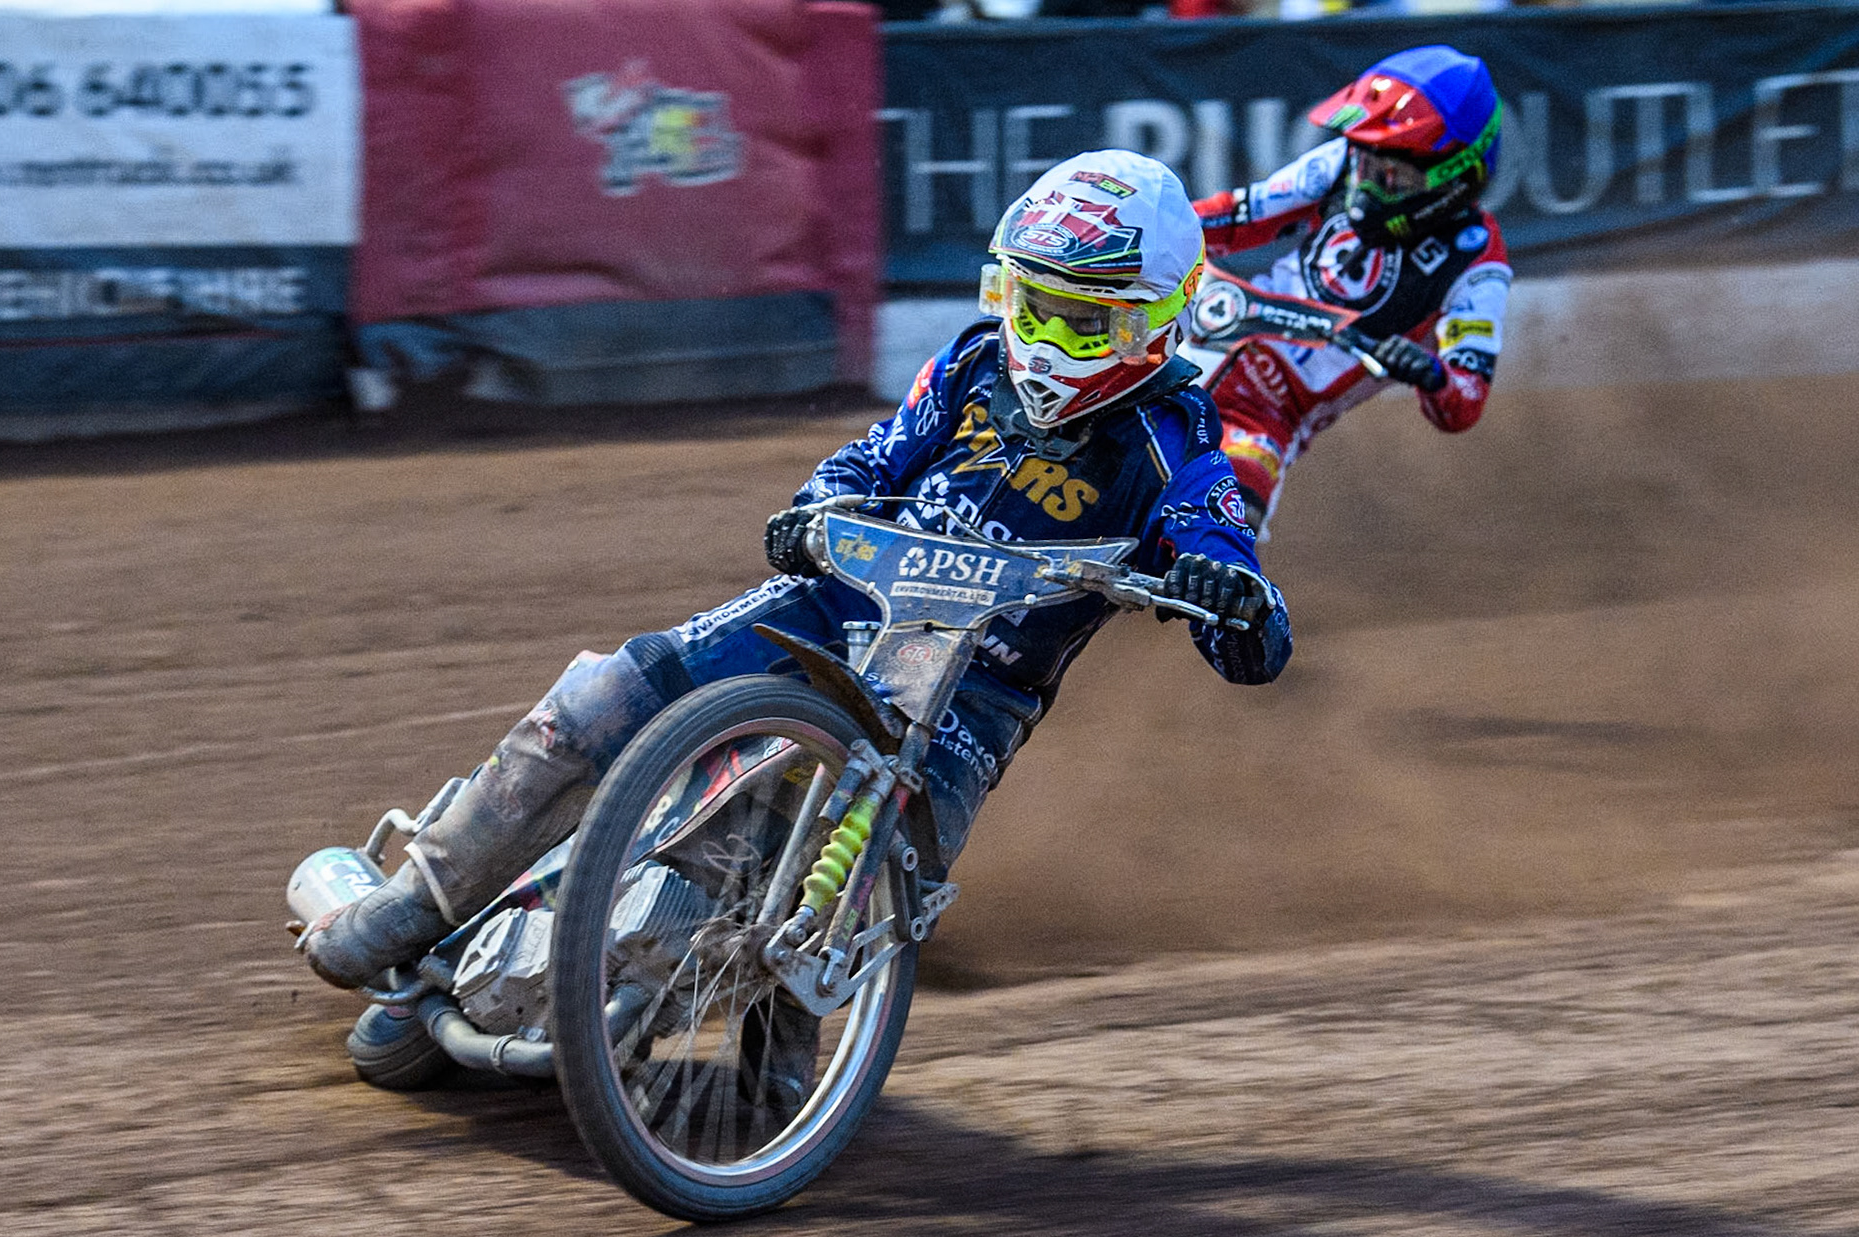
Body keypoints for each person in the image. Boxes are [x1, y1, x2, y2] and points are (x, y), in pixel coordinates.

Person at [299, 151, 1293, 1060]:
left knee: (870, 870)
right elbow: (874, 456)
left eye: (1083, 322)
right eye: (1034, 306)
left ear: (1159, 317)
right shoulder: (972, 364)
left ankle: (781, 1075)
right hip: (834, 605)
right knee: (611, 692)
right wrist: (817, 507)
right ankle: (416, 907)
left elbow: (1233, 579)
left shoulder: (1178, 448)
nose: (1045, 340)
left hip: (970, 697)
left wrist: (1230, 597)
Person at [1183, 44, 1511, 531]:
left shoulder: (1477, 261)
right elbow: (1237, 217)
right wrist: (1158, 225)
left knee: (1233, 513)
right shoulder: (1344, 162)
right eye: (1368, 165)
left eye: (1393, 176)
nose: (1371, 186)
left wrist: (1430, 372)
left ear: (1454, 181)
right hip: (1211, 321)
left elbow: (1464, 401)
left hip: (1268, 412)